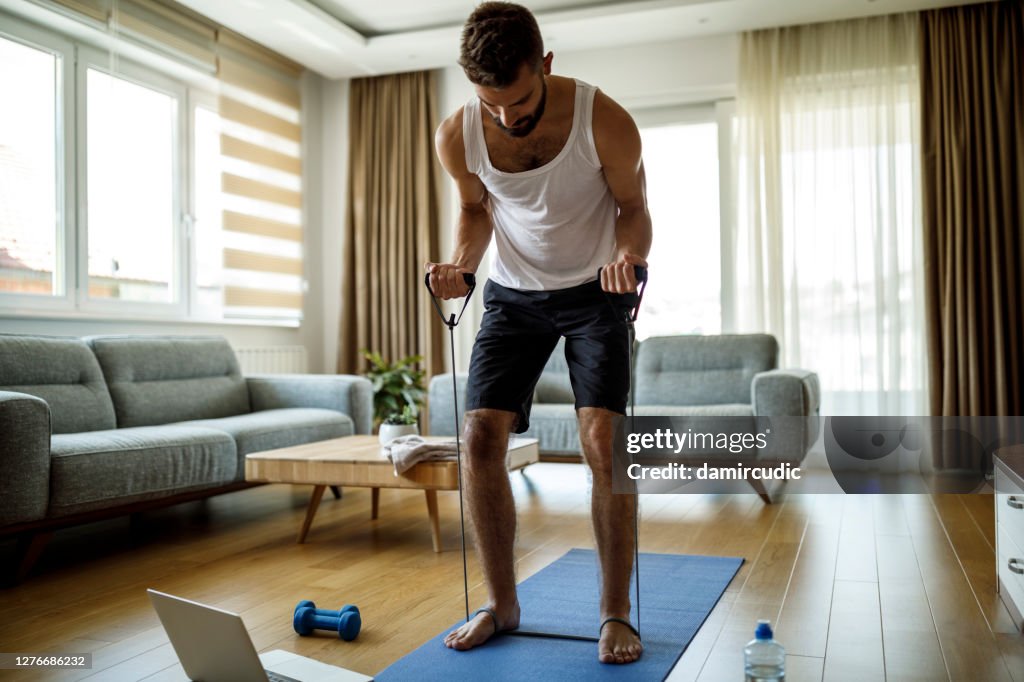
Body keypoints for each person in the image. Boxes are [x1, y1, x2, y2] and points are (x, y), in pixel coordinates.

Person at [425, 1, 651, 665]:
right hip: (514, 294)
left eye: (519, 101)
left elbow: (633, 207)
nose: (505, 118)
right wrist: (461, 267)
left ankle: (615, 612)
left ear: (545, 64)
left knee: (604, 442)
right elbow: (475, 211)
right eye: (489, 103)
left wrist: (628, 257)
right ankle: (501, 604)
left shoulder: (603, 120)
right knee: (478, 437)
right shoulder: (456, 135)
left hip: (595, 289)